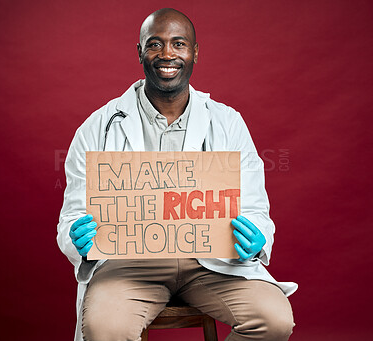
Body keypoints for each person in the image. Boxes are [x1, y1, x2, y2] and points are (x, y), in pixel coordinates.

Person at [57, 8, 297, 341]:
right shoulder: (97, 127)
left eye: (179, 43)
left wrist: (256, 238)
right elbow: (71, 217)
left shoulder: (227, 122)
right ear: (140, 52)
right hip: (130, 265)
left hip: (211, 262)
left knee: (273, 320)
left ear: (194, 52)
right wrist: (77, 237)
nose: (167, 54)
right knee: (106, 330)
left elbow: (255, 206)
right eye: (154, 44)